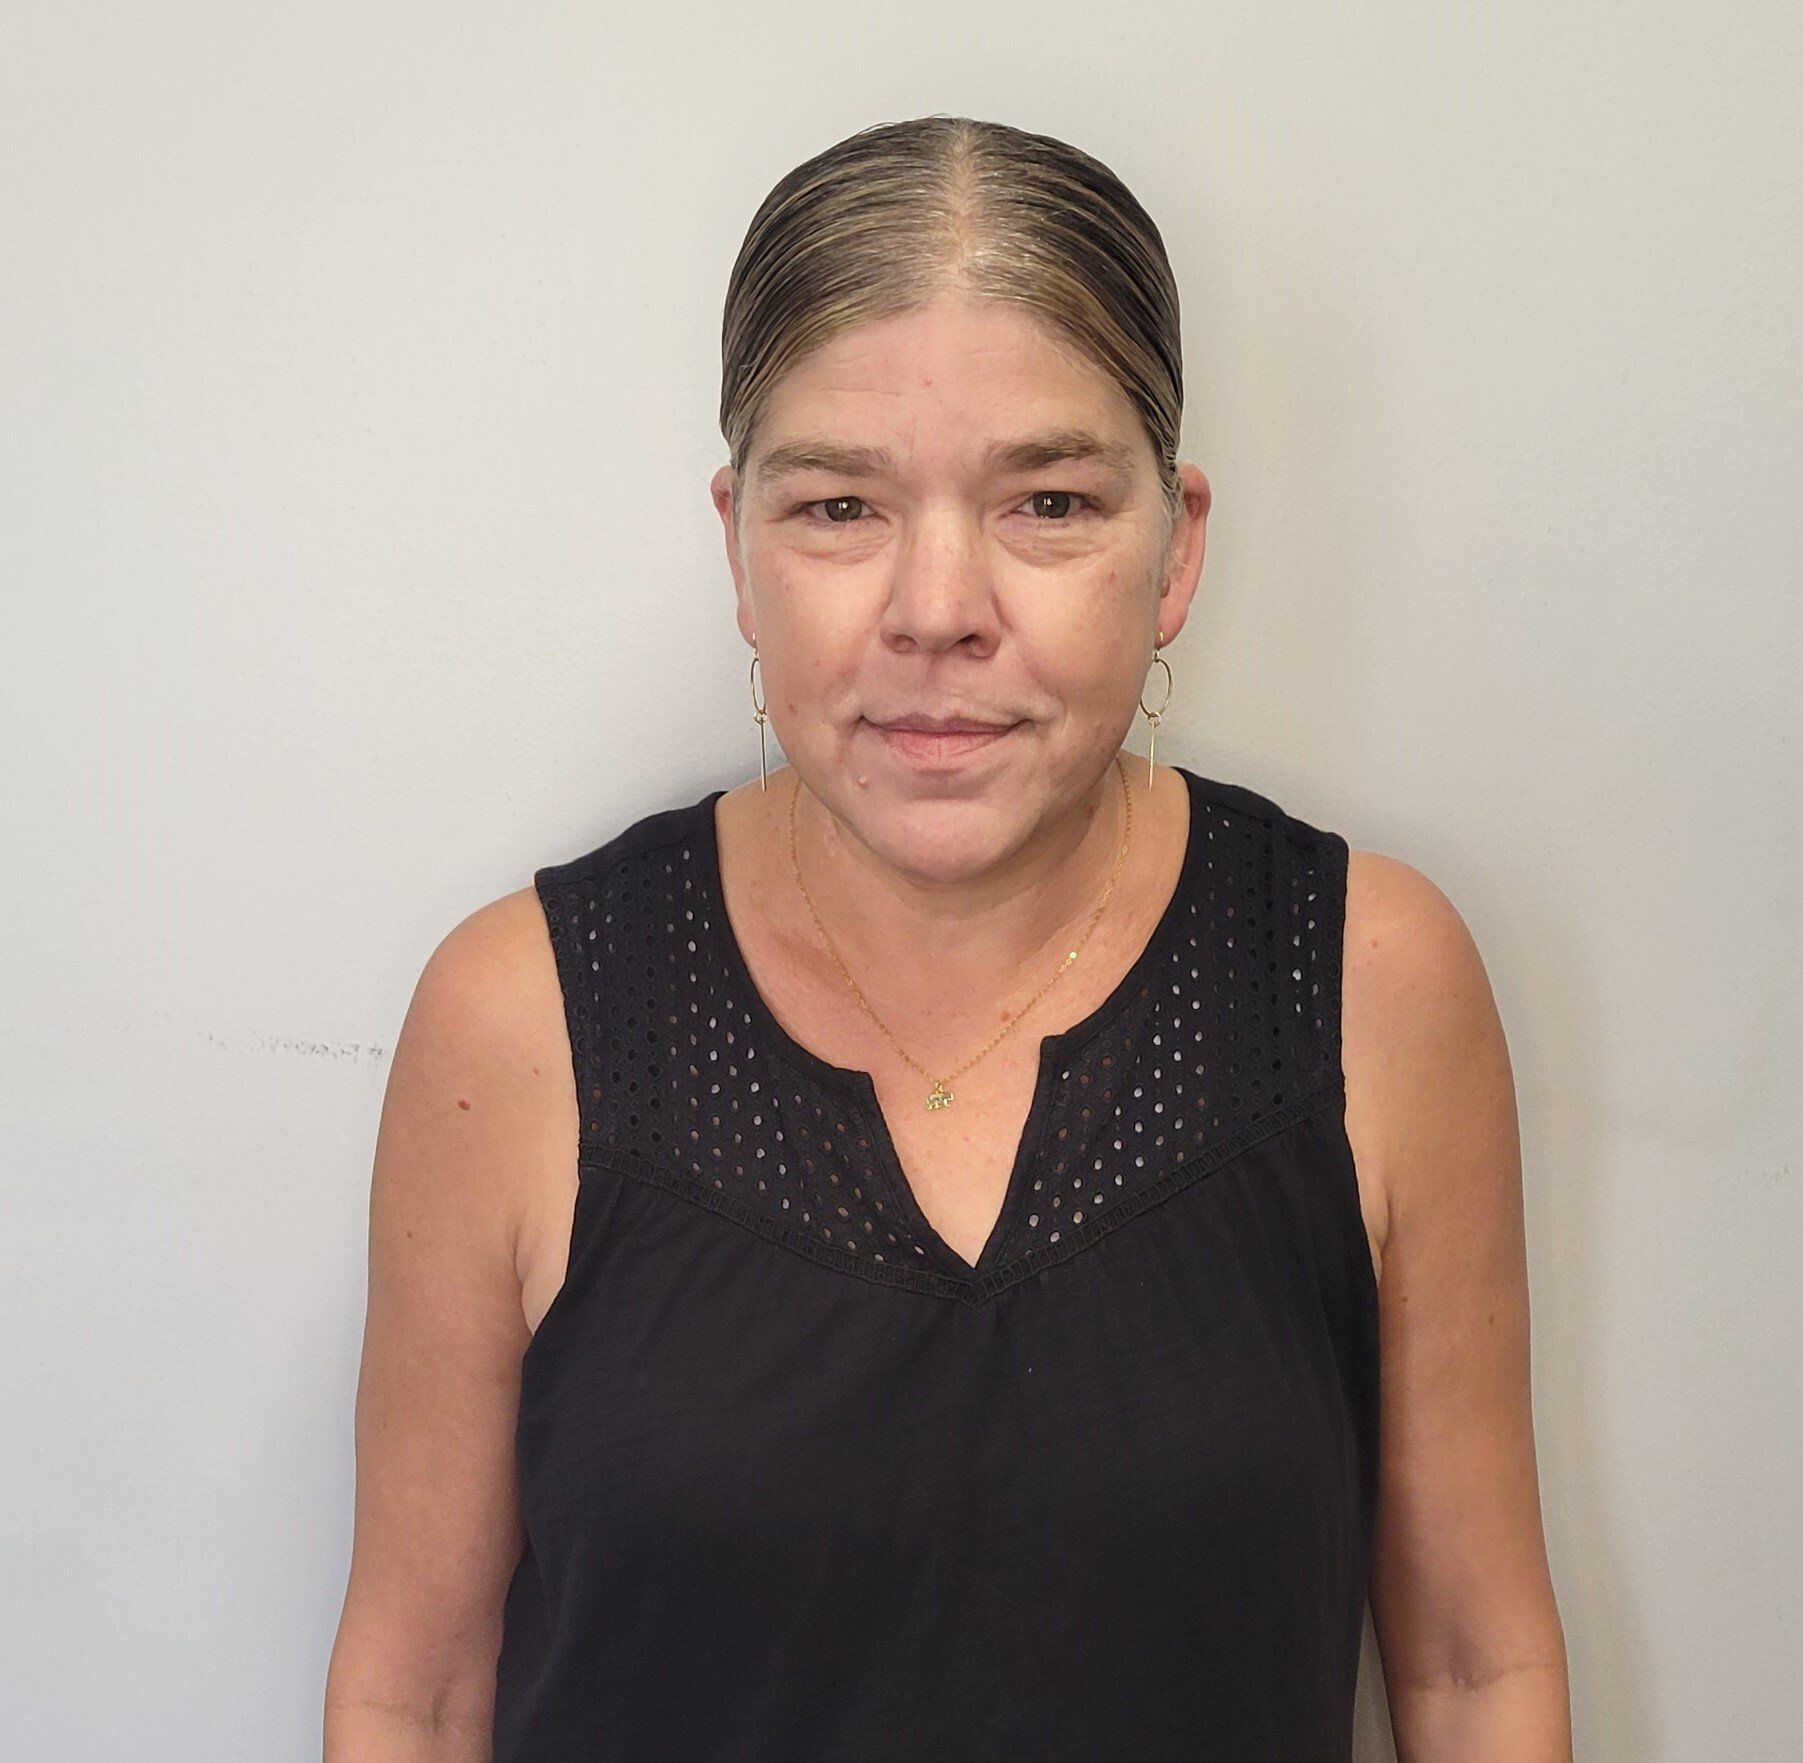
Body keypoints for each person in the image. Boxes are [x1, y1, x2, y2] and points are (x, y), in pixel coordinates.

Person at [325, 115, 1571, 1760]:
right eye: (841, 506)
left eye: (1047, 501)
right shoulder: (523, 1016)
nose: (936, 609)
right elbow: (414, 1693)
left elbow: (1476, 1669)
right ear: (740, 548)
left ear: (1176, 548)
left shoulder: (1364, 984)